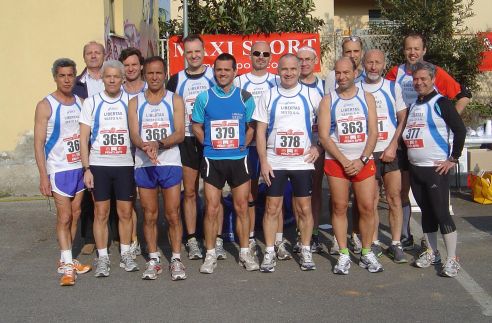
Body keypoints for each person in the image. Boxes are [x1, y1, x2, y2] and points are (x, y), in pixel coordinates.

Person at [385, 32, 471, 251]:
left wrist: (447, 119)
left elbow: (464, 95)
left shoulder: (434, 72)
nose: (412, 52)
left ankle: (434, 244)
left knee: (433, 201)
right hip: (403, 140)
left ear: (424, 50)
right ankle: (405, 235)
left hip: (430, 145)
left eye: (417, 48)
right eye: (408, 48)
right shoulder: (395, 72)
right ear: (403, 51)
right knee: (402, 192)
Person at [254, 53, 322, 273]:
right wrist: (263, 161)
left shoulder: (312, 95)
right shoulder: (269, 95)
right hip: (275, 161)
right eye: (285, 69)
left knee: (304, 208)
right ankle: (270, 251)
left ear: (298, 70)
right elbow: (261, 131)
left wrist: (317, 146)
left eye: (293, 69)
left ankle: (305, 249)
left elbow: (326, 125)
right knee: (272, 208)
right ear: (278, 70)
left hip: (302, 162)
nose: (289, 73)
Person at [192, 53, 258, 274]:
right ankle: (210, 254)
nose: (222, 73)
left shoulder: (245, 97)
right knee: (211, 208)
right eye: (219, 70)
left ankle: (245, 252)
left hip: (239, 160)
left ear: (235, 71)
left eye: (227, 70)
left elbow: (251, 127)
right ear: (214, 71)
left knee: (242, 207)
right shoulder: (204, 98)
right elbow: (196, 126)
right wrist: (208, 144)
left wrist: (243, 145)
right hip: (213, 160)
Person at [318, 57, 382, 275]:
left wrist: (361, 160)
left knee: (366, 207)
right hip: (337, 162)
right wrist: (345, 161)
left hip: (362, 161)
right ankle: (344, 253)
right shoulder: (328, 100)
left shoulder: (367, 98)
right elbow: (325, 137)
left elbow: (374, 132)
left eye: (346, 72)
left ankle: (366, 251)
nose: (341, 77)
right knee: (339, 206)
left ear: (356, 72)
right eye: (338, 73)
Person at [403, 62, 465, 277]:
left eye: (423, 79)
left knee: (441, 213)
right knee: (426, 214)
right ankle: (432, 252)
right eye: (416, 79)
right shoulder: (413, 105)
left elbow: (459, 130)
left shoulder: (441, 103)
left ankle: (452, 258)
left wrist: (453, 159)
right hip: (416, 168)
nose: (419, 83)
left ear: (432, 80)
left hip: (435, 169)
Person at [34, 58, 92, 286]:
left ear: (75, 77)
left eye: (70, 75)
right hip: (58, 169)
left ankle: (66, 258)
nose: (67, 80)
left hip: (78, 167)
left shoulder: (80, 102)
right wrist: (42, 175)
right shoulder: (45, 105)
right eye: (62, 76)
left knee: (76, 213)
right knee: (64, 216)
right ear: (55, 77)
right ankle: (67, 262)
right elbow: (38, 143)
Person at [128, 56, 186, 281]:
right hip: (144, 163)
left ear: (165, 74)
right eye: (150, 73)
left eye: (158, 73)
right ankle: (153, 259)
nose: (154, 77)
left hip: (169, 161)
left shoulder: (175, 100)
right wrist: (144, 145)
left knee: (173, 214)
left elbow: (180, 133)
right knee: (149, 214)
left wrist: (158, 144)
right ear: (144, 74)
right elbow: (134, 133)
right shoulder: (135, 102)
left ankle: (176, 258)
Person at [79, 60, 139, 277]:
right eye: (108, 76)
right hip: (99, 165)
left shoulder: (131, 101)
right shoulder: (91, 103)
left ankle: (125, 253)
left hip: (124, 164)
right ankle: (102, 257)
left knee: (125, 212)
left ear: (123, 78)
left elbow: (137, 133)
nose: (112, 80)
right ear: (102, 79)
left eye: (116, 76)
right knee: (101, 212)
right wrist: (86, 168)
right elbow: (83, 137)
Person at [166, 35, 216, 260]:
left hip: (213, 140)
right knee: (191, 191)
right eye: (189, 52)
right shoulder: (176, 80)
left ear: (204, 51)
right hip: (186, 140)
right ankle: (192, 238)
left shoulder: (215, 76)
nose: (194, 56)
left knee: (213, 192)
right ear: (183, 54)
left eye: (197, 51)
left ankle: (216, 238)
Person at [357, 49, 408, 263]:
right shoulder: (356, 87)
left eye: (377, 62)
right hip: (367, 152)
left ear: (384, 64)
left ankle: (396, 243)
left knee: (394, 197)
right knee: (371, 200)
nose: (373, 66)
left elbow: (402, 118)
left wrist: (394, 145)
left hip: (389, 151)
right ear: (363, 64)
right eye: (369, 62)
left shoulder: (391, 86)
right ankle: (375, 241)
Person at [233, 41, 279, 258]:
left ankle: (278, 241)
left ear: (271, 57)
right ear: (250, 55)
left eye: (265, 54)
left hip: (272, 146)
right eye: (256, 53)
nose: (261, 57)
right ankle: (250, 237)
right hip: (247, 146)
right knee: (249, 194)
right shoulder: (240, 81)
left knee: (274, 194)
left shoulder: (277, 80)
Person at [325, 36, 367, 254]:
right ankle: (338, 238)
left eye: (355, 51)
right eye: (348, 51)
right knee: (340, 201)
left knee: (365, 201)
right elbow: (329, 115)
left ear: (361, 52)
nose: (352, 55)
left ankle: (359, 236)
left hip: (364, 151)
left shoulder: (369, 75)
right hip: (338, 152)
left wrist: (363, 158)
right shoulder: (332, 77)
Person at [73, 41, 106, 256]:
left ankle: (115, 234)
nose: (93, 56)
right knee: (88, 194)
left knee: (112, 192)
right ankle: (89, 238)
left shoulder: (113, 79)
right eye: (89, 53)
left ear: (104, 55)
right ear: (84, 57)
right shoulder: (76, 84)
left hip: (110, 143)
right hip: (87, 143)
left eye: (97, 52)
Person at [295, 45, 325, 254]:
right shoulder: (288, 84)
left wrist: (321, 146)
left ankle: (313, 233)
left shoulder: (324, 86)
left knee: (314, 191)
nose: (304, 63)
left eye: (308, 59)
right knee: (298, 194)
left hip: (318, 147)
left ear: (315, 61)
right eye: (301, 59)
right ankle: (300, 234)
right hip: (294, 149)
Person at [119, 47, 147, 258]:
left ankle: (151, 237)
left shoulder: (151, 89)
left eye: (134, 64)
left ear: (141, 66)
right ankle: (134, 240)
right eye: (126, 65)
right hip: (123, 153)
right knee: (129, 200)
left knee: (147, 200)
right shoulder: (116, 92)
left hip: (147, 152)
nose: (130, 69)